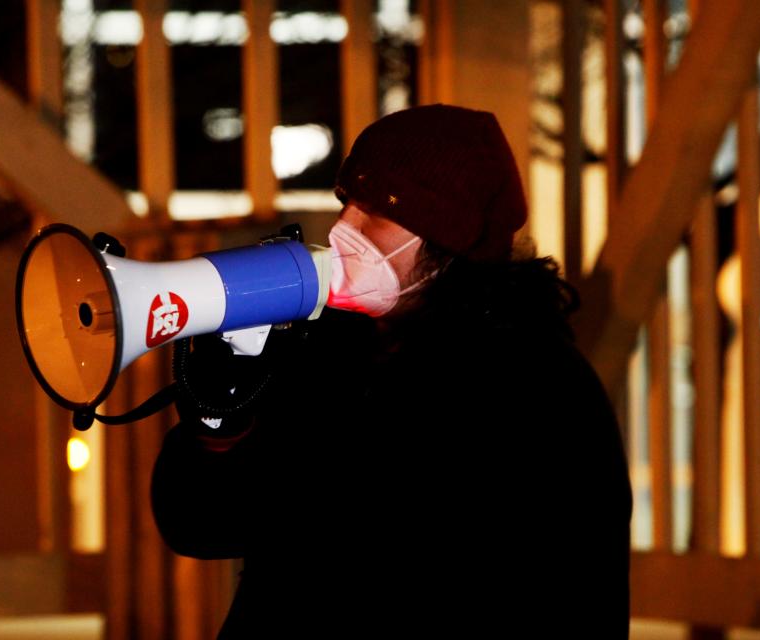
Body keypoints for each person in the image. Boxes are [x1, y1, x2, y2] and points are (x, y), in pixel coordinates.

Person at [151, 104, 633, 638]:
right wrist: (219, 427)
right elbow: (200, 524)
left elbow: (363, 532)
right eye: (347, 203)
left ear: (449, 237)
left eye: (377, 211)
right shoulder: (333, 349)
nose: (342, 230)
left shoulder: (536, 387)